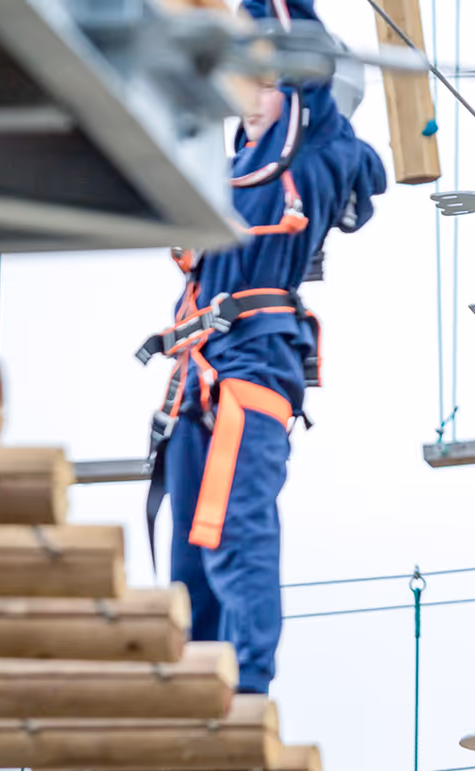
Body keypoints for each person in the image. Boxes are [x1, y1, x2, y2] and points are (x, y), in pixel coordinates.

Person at [136, 0, 387, 695]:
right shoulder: (229, 172)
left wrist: (259, 15)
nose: (250, 94)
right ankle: (198, 688)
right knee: (191, 555)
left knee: (234, 534)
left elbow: (297, 39)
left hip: (248, 374)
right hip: (198, 381)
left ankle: (246, 684)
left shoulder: (314, 154)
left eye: (267, 81)